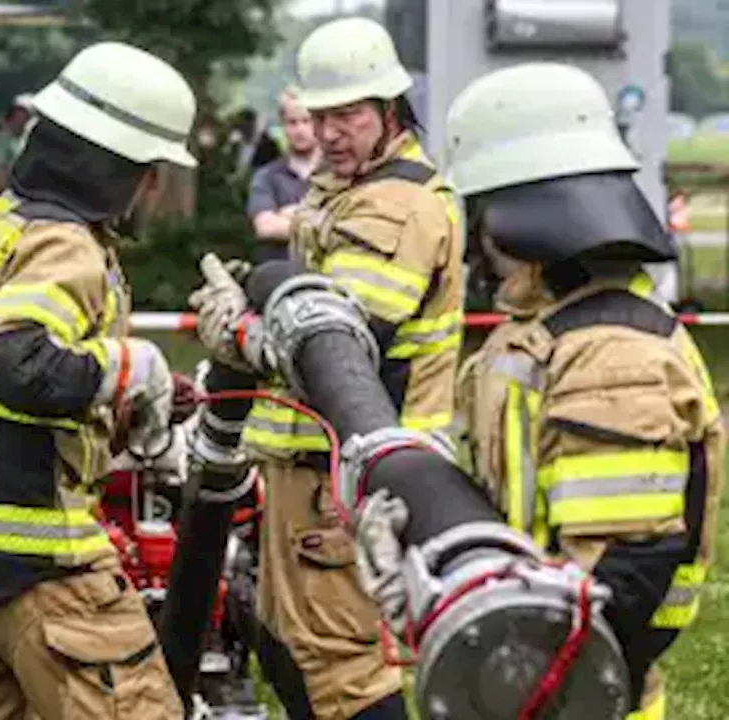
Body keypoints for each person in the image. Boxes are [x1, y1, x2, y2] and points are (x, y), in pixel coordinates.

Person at [191, 16, 462, 720]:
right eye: (320, 115)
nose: (330, 131)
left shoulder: (395, 209)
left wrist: (240, 329)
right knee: (294, 645)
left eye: (348, 114)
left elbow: (335, 345)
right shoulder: (344, 189)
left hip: (348, 472)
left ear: (390, 111)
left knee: (343, 666)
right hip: (313, 461)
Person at [0, 40, 194, 719]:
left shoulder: (3, 221)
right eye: (148, 170)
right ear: (114, 166)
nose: (152, 188)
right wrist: (138, 367)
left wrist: (123, 406)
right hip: (43, 564)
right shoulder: (63, 243)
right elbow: (22, 363)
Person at [449, 63, 723, 720]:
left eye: (480, 217)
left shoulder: (610, 355)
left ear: (523, 217)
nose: (474, 248)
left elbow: (625, 572)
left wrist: (537, 678)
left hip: (574, 689)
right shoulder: (545, 332)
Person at [246, 86, 322, 262]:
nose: (300, 130)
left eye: (306, 121)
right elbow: (266, 227)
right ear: (283, 125)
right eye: (292, 122)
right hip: (279, 275)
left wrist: (289, 214)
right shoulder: (266, 176)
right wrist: (317, 220)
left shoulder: (337, 173)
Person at [0, 95, 34, 198]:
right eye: (18, 112)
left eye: (24, 114)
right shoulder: (3, 136)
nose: (19, 116)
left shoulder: (28, 139)